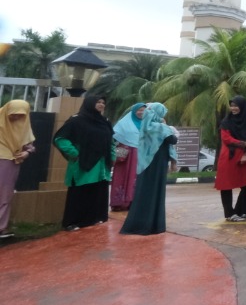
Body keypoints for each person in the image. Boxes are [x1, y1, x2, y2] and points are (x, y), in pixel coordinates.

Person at [54, 95, 114, 231]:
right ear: (89, 103)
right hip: (83, 162)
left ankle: (94, 218)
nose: (101, 104)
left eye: (103, 102)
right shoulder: (76, 121)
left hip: (101, 164)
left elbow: (111, 140)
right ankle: (72, 222)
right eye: (98, 102)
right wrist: (74, 153)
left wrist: (113, 156)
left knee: (97, 190)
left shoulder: (105, 121)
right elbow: (60, 138)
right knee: (80, 191)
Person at [121, 103, 176, 235]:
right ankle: (152, 225)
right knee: (155, 192)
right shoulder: (160, 127)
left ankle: (138, 223)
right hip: (157, 163)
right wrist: (166, 125)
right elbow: (173, 139)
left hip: (145, 163)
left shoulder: (145, 126)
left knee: (144, 192)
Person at [216, 95, 246, 222]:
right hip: (229, 157)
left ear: (242, 107)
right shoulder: (226, 121)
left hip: (245, 157)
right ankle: (229, 213)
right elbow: (226, 139)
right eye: (231, 105)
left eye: (236, 105)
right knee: (226, 185)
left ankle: (242, 210)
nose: (233, 108)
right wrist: (244, 143)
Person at [0, 100, 36, 239]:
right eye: (13, 114)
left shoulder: (23, 125)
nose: (16, 118)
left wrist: (27, 152)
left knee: (5, 195)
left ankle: (1, 227)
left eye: (20, 115)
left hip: (11, 163)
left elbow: (29, 145)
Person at [110, 102, 146, 212]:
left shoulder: (147, 124)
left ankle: (134, 202)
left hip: (141, 155)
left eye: (144, 110)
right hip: (125, 155)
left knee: (137, 178)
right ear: (134, 111)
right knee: (122, 176)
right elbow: (114, 137)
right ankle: (119, 203)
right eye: (139, 110)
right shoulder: (124, 123)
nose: (141, 112)